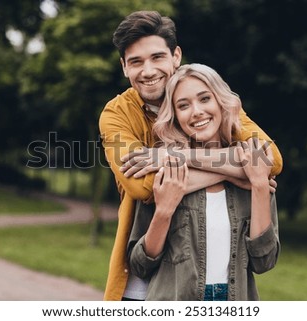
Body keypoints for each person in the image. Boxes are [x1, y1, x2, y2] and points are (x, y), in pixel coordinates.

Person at [99, 11, 282, 301]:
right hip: (141, 288)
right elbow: (144, 187)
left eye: (157, 57)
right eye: (136, 62)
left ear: (176, 56)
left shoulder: (215, 103)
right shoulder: (116, 114)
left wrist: (176, 156)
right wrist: (236, 170)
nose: (147, 71)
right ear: (124, 67)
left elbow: (270, 160)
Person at [127, 63, 280, 300]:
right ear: (175, 117)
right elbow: (140, 265)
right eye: (183, 106)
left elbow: (265, 261)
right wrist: (164, 212)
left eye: (205, 98)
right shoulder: (165, 171)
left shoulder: (254, 163)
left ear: (221, 102)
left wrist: (259, 186)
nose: (196, 111)